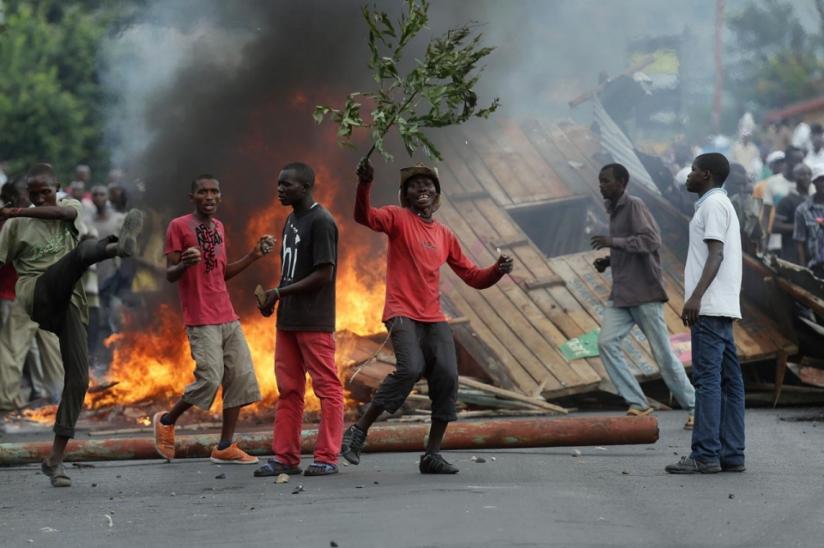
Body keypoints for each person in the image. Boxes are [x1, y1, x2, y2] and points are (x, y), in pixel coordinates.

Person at [339, 159, 514, 475]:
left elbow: (473, 276)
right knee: (411, 368)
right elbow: (363, 216)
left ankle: (431, 455)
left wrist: (497, 271)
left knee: (447, 376)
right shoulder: (397, 217)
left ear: (436, 194)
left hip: (433, 317)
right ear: (405, 194)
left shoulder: (445, 234)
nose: (422, 188)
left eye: (428, 184)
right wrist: (364, 184)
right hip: (401, 311)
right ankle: (358, 431)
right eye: (414, 185)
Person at [0, 163, 144, 486]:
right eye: (33, 195)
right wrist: (7, 219)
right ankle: (118, 247)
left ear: (58, 188)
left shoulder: (72, 208)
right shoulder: (15, 226)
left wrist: (15, 211)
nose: (39, 199)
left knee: (79, 380)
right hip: (36, 293)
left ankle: (56, 459)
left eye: (45, 192)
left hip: (70, 302)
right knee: (78, 256)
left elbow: (62, 216)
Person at [152, 174, 274, 465]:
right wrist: (183, 264)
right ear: (192, 197)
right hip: (201, 318)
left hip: (227, 316)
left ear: (220, 196)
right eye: (203, 192)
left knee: (240, 377)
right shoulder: (178, 226)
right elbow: (169, 273)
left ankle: (224, 446)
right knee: (209, 379)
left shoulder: (218, 227)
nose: (209, 197)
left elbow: (221, 273)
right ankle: (168, 420)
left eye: (215, 192)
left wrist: (254, 255)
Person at [253, 162, 343, 478]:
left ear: (305, 187)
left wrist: (279, 292)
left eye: (286, 185)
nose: (279, 190)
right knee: (289, 390)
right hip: (288, 321)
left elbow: (324, 274)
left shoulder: (322, 221)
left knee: (327, 388)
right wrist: (274, 303)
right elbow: (290, 272)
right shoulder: (291, 220)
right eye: (279, 184)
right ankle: (285, 457)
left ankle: (327, 457)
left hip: (314, 320)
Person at [591, 164, 695, 427]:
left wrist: (613, 243)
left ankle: (696, 406)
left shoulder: (634, 205)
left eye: (606, 181)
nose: (602, 186)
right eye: (600, 181)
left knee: (663, 355)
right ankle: (638, 403)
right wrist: (609, 260)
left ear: (622, 182)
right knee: (606, 343)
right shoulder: (614, 210)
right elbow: (629, 247)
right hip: (623, 294)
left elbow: (650, 241)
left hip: (645, 293)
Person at [666, 153, 744, 474]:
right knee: (730, 383)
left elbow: (716, 253)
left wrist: (695, 297)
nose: (688, 174)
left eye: (694, 170)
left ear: (707, 174)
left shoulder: (712, 206)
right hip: (723, 307)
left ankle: (705, 455)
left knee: (707, 380)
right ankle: (732, 454)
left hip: (709, 307)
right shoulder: (721, 204)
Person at [771, 163, 811, 264]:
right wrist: (800, 227)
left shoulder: (814, 200)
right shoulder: (787, 200)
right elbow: (775, 227)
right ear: (795, 177)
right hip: (792, 254)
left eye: (808, 174)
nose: (806, 177)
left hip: (812, 255)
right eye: (802, 174)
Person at [726, 164, 762, 255]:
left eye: (743, 185)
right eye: (737, 185)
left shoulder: (749, 201)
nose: (741, 189)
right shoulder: (723, 202)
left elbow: (755, 231)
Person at [794, 168, 824, 279]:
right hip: (816, 268)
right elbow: (800, 242)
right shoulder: (803, 210)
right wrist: (803, 271)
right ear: (814, 182)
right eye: (821, 180)